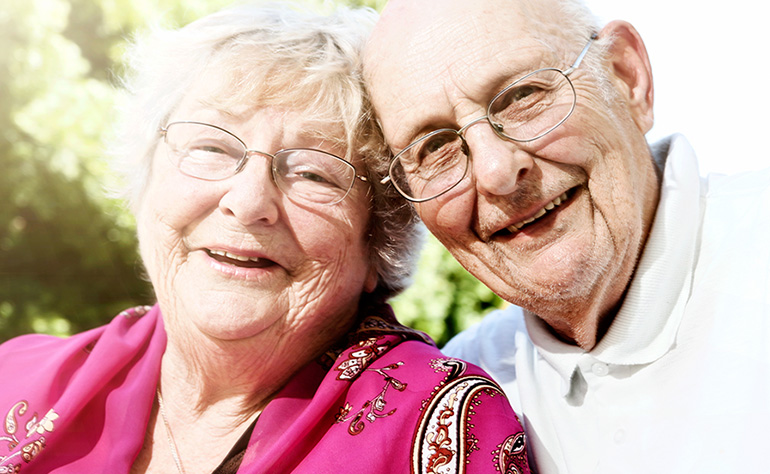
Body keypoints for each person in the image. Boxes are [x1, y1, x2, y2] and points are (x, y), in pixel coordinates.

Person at [0, 3, 532, 473]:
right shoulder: (14, 380)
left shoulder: (442, 431)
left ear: (379, 239)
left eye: (313, 173)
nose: (249, 201)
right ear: (146, 180)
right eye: (210, 148)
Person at [363, 0, 770, 472]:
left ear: (626, 76)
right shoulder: (459, 406)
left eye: (521, 96)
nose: (496, 172)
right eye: (434, 147)